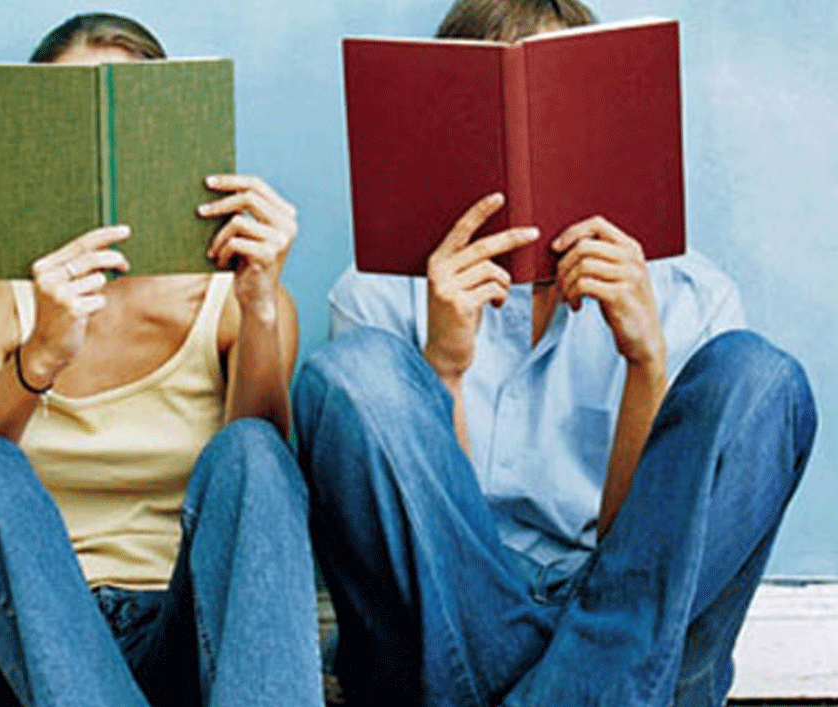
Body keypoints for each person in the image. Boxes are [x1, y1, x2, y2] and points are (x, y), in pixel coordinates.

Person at [294, 1, 818, 706]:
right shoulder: (378, 294)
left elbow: (646, 564)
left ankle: (576, 684)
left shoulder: (690, 293)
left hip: (622, 618)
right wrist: (443, 366)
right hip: (451, 628)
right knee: (351, 375)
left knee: (761, 379)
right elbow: (433, 563)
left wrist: (645, 362)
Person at [0, 13, 322, 707]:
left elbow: (260, 491)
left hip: (178, 632)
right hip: (28, 645)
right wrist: (40, 356)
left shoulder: (232, 302)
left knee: (256, 451)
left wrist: (260, 307)